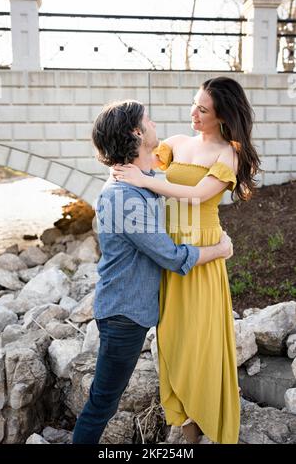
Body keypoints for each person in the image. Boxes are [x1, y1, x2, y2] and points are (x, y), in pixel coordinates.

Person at [72, 99, 234, 444]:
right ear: (136, 132)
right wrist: (219, 249)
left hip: (135, 310)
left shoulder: (139, 182)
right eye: (150, 120)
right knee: (103, 401)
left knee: (105, 398)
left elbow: (175, 183)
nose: (157, 125)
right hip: (123, 315)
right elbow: (172, 257)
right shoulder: (124, 196)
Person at [112, 77, 261, 444]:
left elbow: (196, 195)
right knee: (174, 340)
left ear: (222, 115)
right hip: (169, 250)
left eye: (203, 109)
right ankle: (187, 421)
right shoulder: (177, 143)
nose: (193, 113)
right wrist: (121, 168)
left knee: (202, 339)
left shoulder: (229, 153)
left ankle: (202, 423)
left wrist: (147, 183)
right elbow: (141, 160)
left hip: (204, 252)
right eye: (194, 104)